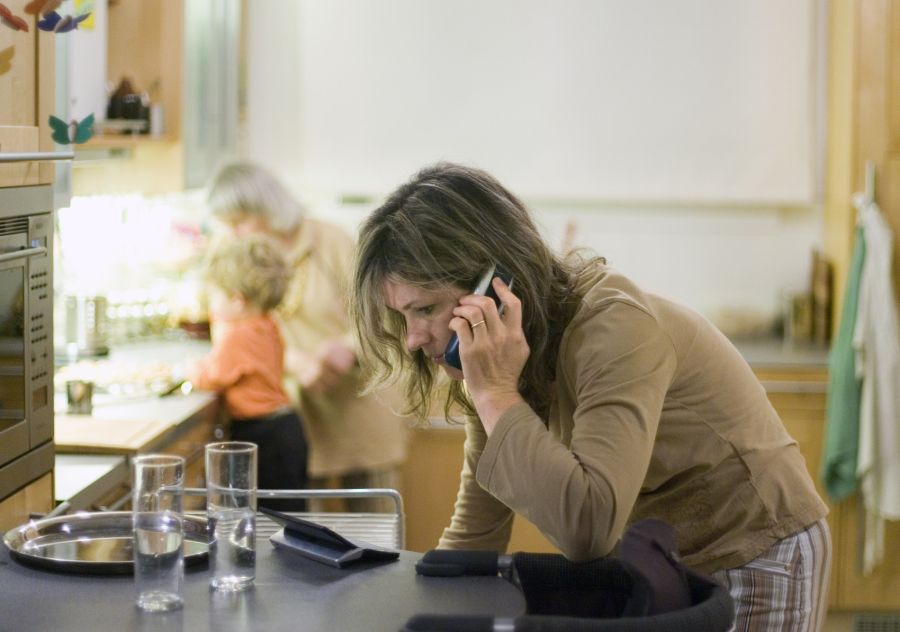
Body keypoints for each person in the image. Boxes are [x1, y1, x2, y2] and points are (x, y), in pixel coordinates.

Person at [349, 162, 832, 630]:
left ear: (494, 287)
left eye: (426, 309)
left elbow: (588, 529)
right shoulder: (502, 362)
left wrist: (496, 393)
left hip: (759, 546)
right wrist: (412, 614)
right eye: (403, 316)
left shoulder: (614, 327)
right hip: (672, 559)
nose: (412, 338)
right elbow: (477, 530)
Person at [206, 162, 409, 512]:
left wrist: (346, 348)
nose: (234, 234)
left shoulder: (331, 241)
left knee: (376, 539)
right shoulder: (232, 255)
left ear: (266, 209)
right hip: (292, 420)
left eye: (240, 222)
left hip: (356, 407)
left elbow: (385, 314)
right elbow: (225, 329)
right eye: (227, 225)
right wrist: (296, 362)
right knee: (302, 546)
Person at [188, 234, 308, 511]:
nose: (211, 305)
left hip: (262, 434)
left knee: (264, 515)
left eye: (214, 295)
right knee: (288, 514)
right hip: (286, 428)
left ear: (237, 300)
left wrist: (192, 369)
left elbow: (212, 376)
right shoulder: (266, 324)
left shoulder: (238, 336)